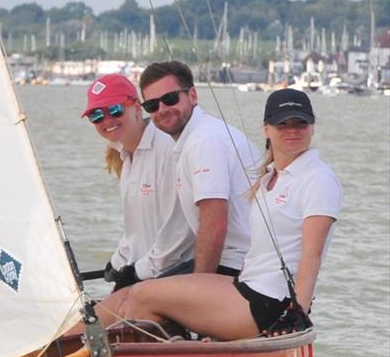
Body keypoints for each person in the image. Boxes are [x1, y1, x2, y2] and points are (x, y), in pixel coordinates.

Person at [117, 88, 342, 340]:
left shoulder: (318, 178)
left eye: (301, 123)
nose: (292, 130)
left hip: (270, 304)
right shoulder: (269, 178)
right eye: (283, 124)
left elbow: (313, 254)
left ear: (312, 126)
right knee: (139, 293)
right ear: (267, 129)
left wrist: (298, 312)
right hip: (246, 286)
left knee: (141, 297)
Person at [135, 60, 261, 276]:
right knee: (125, 299)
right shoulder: (196, 137)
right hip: (233, 261)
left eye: (170, 99)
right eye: (152, 105)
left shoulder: (204, 141)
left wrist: (199, 288)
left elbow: (215, 224)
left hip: (242, 266)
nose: (162, 109)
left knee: (135, 300)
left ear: (192, 96)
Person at [80, 74, 193, 292]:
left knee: (93, 323)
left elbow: (181, 229)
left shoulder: (167, 148)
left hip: (174, 275)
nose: (107, 120)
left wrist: (137, 273)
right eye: (96, 116)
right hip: (148, 274)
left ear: (137, 107)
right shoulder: (125, 157)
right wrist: (116, 264)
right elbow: (136, 233)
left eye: (114, 110)